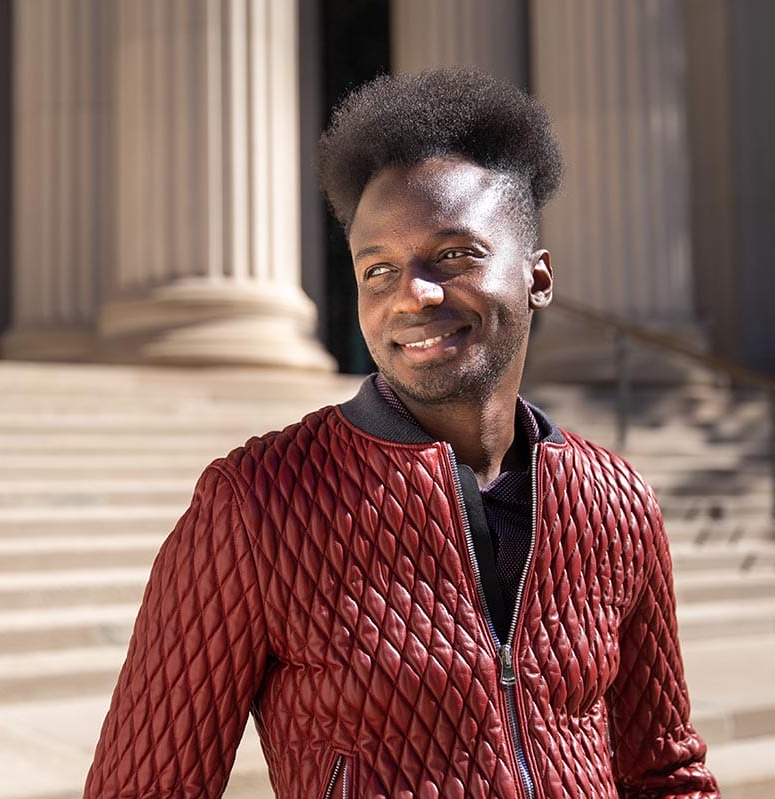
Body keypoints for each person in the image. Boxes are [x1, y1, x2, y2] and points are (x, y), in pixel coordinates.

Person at [84, 67, 719, 798]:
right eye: (377, 270)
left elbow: (665, 772)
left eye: (453, 255)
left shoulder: (617, 501)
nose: (411, 295)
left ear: (538, 278)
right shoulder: (257, 503)